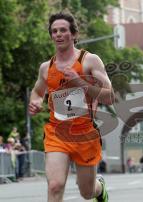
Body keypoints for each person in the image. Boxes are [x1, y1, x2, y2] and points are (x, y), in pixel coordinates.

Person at [28, 12, 114, 202]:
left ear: (74, 34)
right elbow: (37, 92)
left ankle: (99, 189)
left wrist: (79, 82)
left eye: (63, 30)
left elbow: (110, 96)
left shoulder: (89, 61)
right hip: (56, 133)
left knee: (87, 192)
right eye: (54, 31)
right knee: (55, 185)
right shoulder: (46, 67)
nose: (58, 34)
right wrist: (35, 102)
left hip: (85, 134)